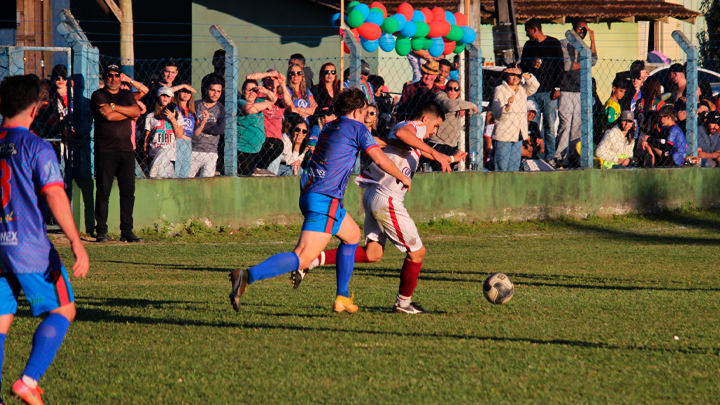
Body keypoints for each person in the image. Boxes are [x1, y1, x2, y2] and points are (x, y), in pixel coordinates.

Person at [228, 88, 412, 314]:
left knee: (352, 235)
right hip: (325, 199)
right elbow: (380, 159)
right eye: (365, 112)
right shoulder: (358, 128)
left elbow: (363, 142)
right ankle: (247, 276)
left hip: (312, 193)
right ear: (356, 112)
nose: (367, 116)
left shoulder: (330, 126)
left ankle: (342, 297)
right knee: (303, 257)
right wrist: (402, 175)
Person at [290, 101, 466, 314]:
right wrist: (435, 153)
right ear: (426, 119)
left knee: (373, 253)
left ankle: (311, 261)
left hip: (373, 194)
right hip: (387, 199)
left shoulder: (411, 132)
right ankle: (403, 304)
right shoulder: (415, 126)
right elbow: (403, 134)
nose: (434, 131)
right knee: (418, 253)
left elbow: (409, 144)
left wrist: (446, 157)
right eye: (435, 126)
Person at [0, 74, 89, 405]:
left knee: (0, 318)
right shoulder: (36, 146)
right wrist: (76, 242)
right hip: (29, 246)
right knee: (64, 309)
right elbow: (54, 194)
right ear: (36, 110)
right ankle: (28, 380)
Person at [90, 64, 143, 243]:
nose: (113, 78)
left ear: (121, 77)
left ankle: (127, 231)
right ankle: (101, 231)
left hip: (127, 150)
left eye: (117, 75)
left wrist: (113, 107)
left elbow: (138, 112)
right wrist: (127, 113)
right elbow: (109, 117)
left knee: (128, 192)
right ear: (105, 77)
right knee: (103, 191)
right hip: (106, 150)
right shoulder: (98, 95)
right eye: (110, 75)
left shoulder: (127, 94)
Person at [519, 19, 564, 164]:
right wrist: (530, 64)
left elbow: (560, 66)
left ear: (534, 30)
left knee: (550, 126)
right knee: (532, 126)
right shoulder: (528, 45)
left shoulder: (553, 43)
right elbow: (523, 65)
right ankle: (534, 156)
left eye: (528, 31)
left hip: (549, 91)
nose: (527, 34)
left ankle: (550, 156)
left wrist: (557, 87)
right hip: (531, 92)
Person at [556, 20, 597, 168]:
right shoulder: (564, 43)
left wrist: (592, 39)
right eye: (580, 28)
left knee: (577, 127)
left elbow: (593, 61)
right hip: (566, 89)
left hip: (581, 91)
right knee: (565, 125)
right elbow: (567, 65)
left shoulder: (585, 47)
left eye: (585, 30)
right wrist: (585, 63)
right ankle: (559, 157)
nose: (582, 31)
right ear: (573, 29)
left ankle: (572, 158)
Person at [491, 65, 540, 172]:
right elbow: (496, 112)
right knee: (501, 168)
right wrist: (507, 107)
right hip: (504, 135)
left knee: (514, 169)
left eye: (518, 75)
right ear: (506, 75)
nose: (515, 78)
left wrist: (525, 75)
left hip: (518, 134)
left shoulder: (522, 89)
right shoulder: (500, 89)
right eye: (512, 75)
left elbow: (535, 86)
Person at [428, 79, 478, 171]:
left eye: (456, 89)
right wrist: (471, 106)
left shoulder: (459, 102)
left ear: (459, 91)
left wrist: (463, 108)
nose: (452, 91)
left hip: (452, 144)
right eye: (449, 88)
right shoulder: (440, 96)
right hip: (438, 142)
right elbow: (449, 105)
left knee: (449, 172)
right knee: (439, 171)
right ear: (445, 89)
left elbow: (472, 112)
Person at [237, 79, 278, 176]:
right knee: (244, 177)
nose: (252, 93)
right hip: (243, 150)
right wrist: (267, 104)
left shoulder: (258, 101)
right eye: (248, 90)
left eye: (254, 90)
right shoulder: (240, 102)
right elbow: (249, 109)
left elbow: (274, 99)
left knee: (277, 144)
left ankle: (258, 168)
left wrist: (265, 91)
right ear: (243, 91)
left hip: (259, 148)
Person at [144, 87, 187, 179]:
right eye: (163, 95)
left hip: (170, 156)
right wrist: (144, 160)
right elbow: (146, 140)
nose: (165, 98)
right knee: (163, 149)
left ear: (171, 98)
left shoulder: (177, 116)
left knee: (166, 149)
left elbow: (180, 135)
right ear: (158, 97)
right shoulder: (151, 116)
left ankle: (153, 174)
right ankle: (153, 173)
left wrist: (172, 119)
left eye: (168, 96)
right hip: (154, 153)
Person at [190, 81, 225, 178]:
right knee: (187, 180)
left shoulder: (221, 108)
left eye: (218, 91)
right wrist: (210, 125)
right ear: (206, 90)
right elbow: (190, 127)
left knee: (207, 184)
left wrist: (200, 125)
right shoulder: (195, 105)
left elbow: (219, 129)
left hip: (211, 152)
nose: (215, 94)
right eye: (213, 90)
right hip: (193, 150)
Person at [174, 85, 196, 178]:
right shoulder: (174, 107)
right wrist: (183, 85)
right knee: (176, 171)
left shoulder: (192, 110)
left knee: (185, 173)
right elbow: (167, 91)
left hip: (188, 142)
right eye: (183, 91)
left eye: (189, 92)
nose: (186, 94)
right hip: (177, 140)